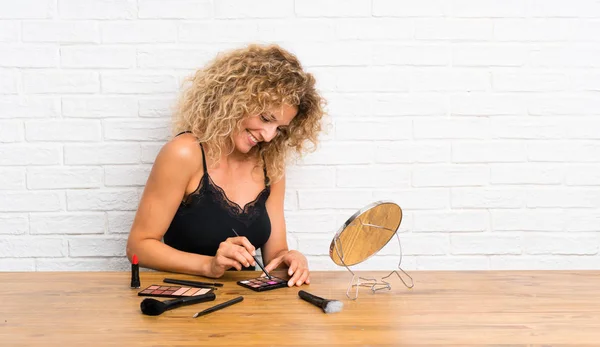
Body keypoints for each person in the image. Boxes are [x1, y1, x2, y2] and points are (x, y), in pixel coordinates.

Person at [126, 43, 326, 287]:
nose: (269, 135)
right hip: (184, 304)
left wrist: (291, 260)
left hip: (247, 308)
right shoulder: (184, 153)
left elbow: (274, 257)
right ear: (235, 100)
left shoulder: (270, 164)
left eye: (279, 128)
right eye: (265, 118)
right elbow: (139, 246)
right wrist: (209, 266)